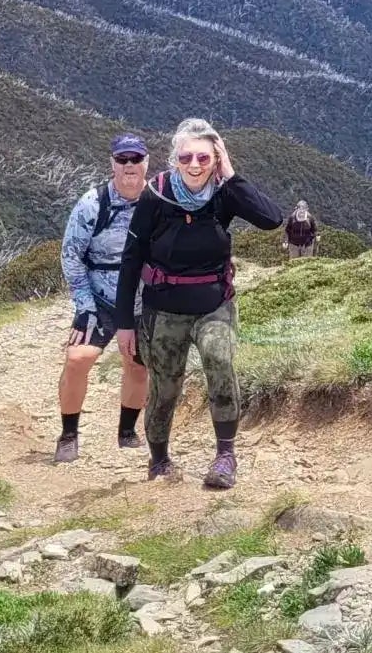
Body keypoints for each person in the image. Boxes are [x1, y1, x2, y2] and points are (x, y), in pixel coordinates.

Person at [112, 118, 283, 489]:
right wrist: (125, 322)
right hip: (163, 309)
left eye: (204, 158)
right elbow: (131, 259)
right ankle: (159, 461)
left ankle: (225, 456)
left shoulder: (224, 193)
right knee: (165, 387)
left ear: (216, 158)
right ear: (175, 159)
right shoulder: (155, 196)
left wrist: (231, 173)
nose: (194, 165)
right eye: (186, 157)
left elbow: (271, 220)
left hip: (214, 304)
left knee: (219, 359)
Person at [55, 134, 154, 463]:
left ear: (146, 163)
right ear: (112, 163)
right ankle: (69, 434)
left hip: (142, 300)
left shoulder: (158, 200)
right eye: (122, 159)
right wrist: (84, 306)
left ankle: (127, 432)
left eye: (135, 159)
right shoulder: (93, 204)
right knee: (77, 359)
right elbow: (71, 255)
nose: (129, 165)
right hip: (100, 299)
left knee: (137, 366)